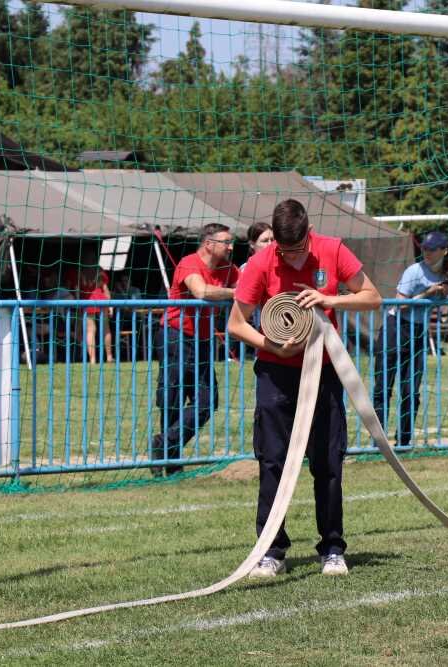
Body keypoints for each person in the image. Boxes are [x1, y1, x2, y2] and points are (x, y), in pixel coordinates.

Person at [227, 199, 381, 578]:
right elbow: (236, 324)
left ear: (309, 234)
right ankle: (271, 550)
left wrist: (331, 298)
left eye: (298, 250)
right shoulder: (264, 263)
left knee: (328, 463)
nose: (291, 259)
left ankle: (332, 549)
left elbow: (372, 297)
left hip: (324, 371)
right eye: (284, 251)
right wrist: (272, 344)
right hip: (275, 375)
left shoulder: (333, 250)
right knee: (273, 462)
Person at [153, 223, 239, 476]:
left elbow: (250, 287)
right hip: (174, 336)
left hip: (201, 340)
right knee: (171, 400)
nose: (231, 246)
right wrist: (234, 292)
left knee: (207, 401)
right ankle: (170, 463)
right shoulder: (190, 263)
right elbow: (201, 290)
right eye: (226, 242)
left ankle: (164, 445)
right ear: (209, 244)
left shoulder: (229, 268)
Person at [372, 231, 448, 449]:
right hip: (394, 328)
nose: (426, 252)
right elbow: (400, 304)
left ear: (444, 250)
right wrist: (427, 293)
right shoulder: (414, 271)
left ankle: (404, 442)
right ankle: (377, 442)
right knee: (383, 388)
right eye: (424, 248)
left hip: (418, 332)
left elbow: (446, 298)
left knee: (410, 391)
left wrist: (445, 293)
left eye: (432, 249)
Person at [80, 266, 114, 364]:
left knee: (90, 331)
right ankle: (109, 357)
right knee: (105, 328)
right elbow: (105, 289)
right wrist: (110, 305)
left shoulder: (80, 270)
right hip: (101, 300)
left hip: (88, 301)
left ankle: (93, 360)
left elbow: (77, 289)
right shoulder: (99, 269)